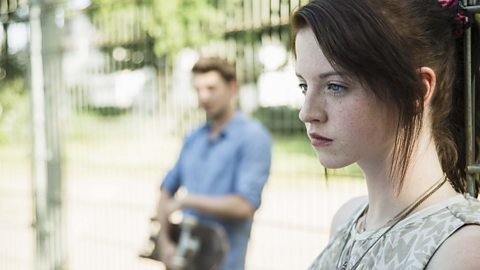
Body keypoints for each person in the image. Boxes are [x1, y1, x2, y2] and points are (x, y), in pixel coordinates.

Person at [291, 0, 480, 269]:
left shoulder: (462, 250)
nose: (307, 112)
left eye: (334, 86)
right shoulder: (348, 220)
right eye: (303, 86)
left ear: (417, 91)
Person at [156, 57, 272, 270]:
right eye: (197, 90)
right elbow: (166, 188)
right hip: (184, 261)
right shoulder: (193, 137)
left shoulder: (253, 137)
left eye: (211, 88)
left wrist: (187, 201)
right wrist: (164, 242)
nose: (203, 97)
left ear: (232, 87)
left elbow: (244, 206)